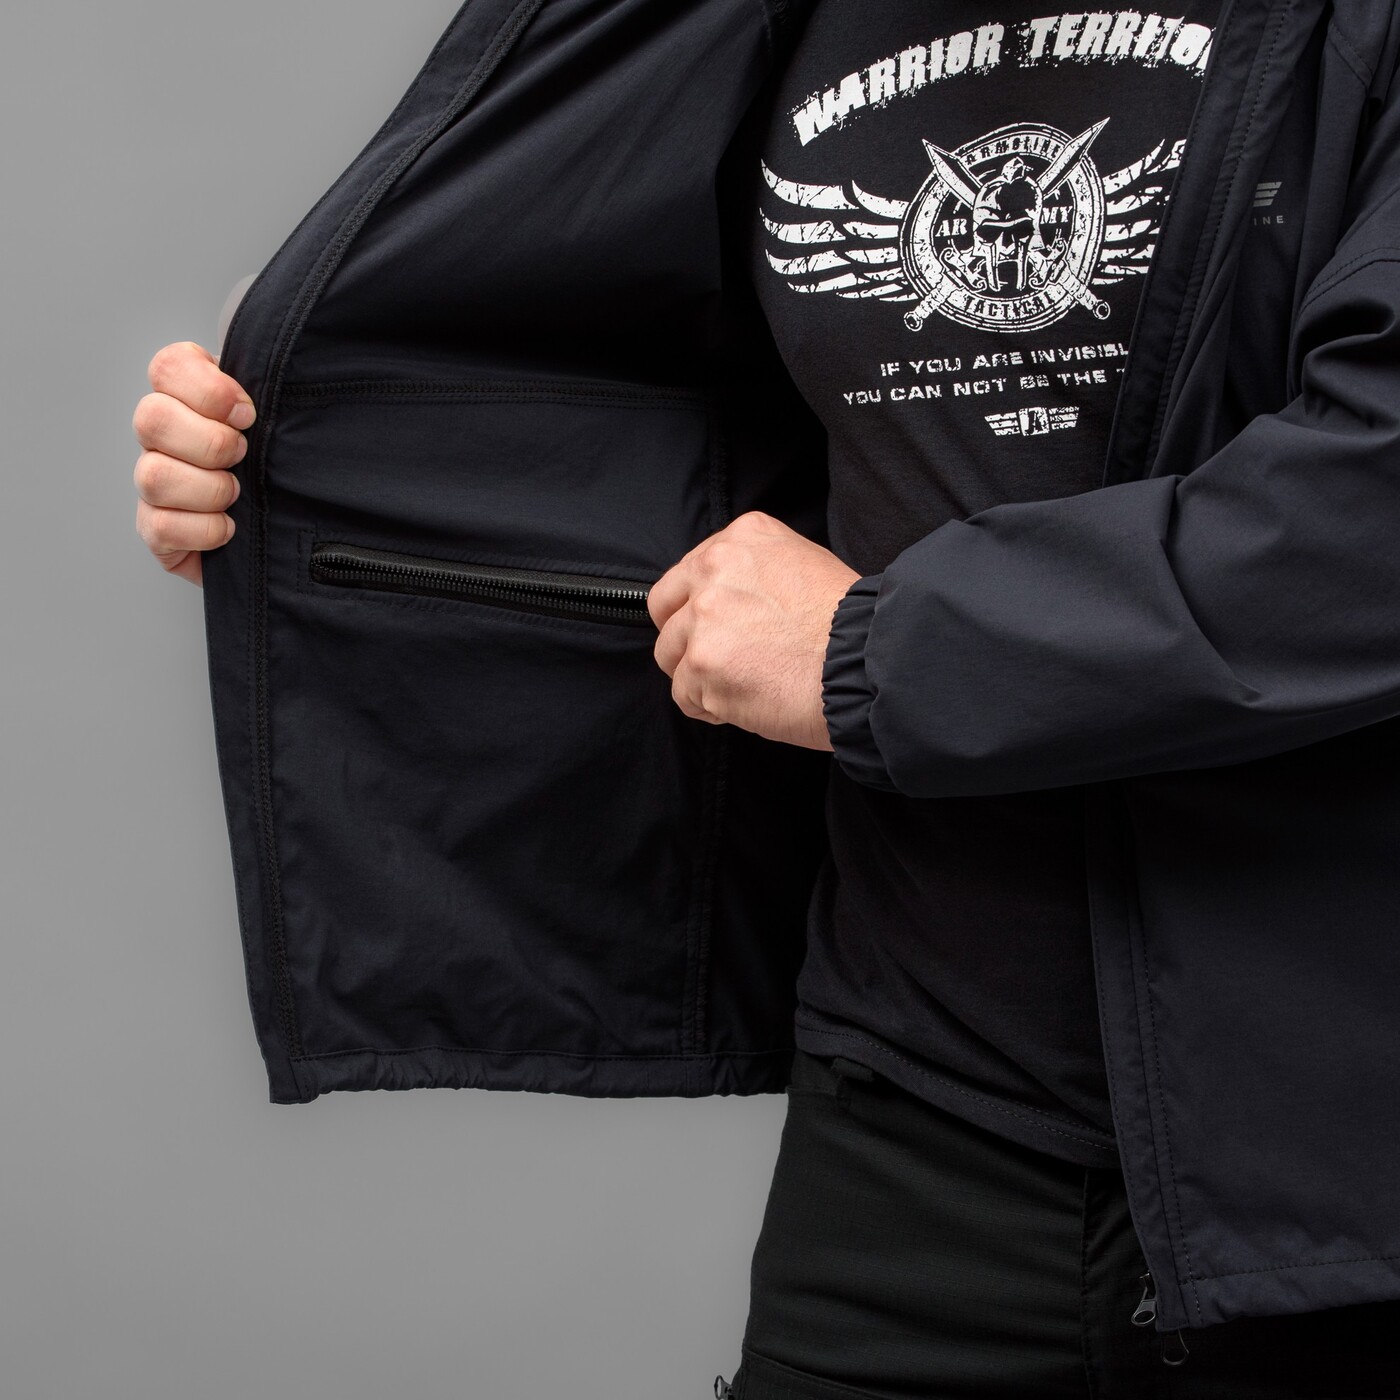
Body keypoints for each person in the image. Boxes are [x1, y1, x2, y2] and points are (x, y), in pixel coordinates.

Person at [132, 1, 1400, 1395]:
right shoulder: (755, 18)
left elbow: (1366, 516)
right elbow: (720, 445)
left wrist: (879, 652)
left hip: (1346, 1159)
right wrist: (316, 487)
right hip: (916, 1131)